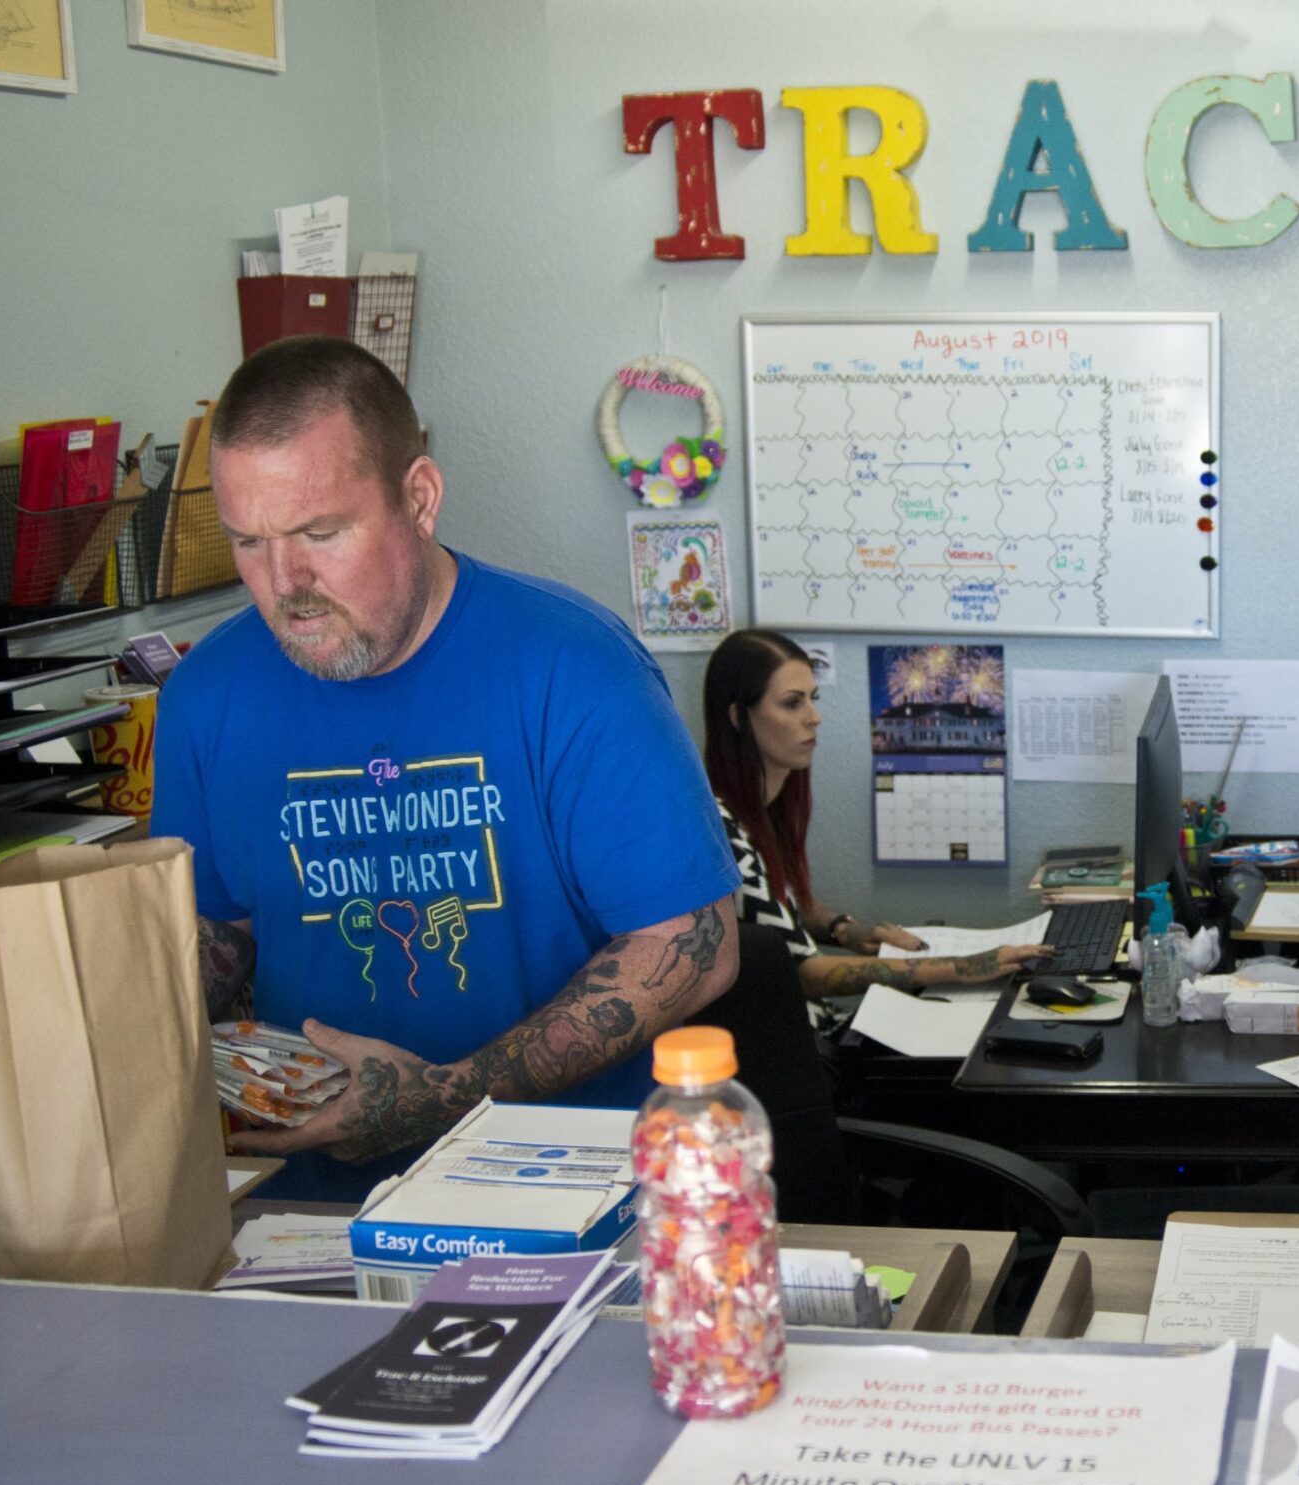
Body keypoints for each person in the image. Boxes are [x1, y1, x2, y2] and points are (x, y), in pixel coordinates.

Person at [151, 336, 739, 1197]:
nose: (286, 582)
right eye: (251, 541)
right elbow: (222, 932)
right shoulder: (205, 694)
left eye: (321, 532)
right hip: (309, 1213)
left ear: (418, 498)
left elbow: (696, 943)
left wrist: (450, 1095)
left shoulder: (574, 666)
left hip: (565, 1201)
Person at [702, 627, 1046, 1021]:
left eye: (813, 699)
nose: (814, 717)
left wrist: (845, 930)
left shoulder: (762, 811)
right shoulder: (721, 835)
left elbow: (777, 906)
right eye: (792, 703)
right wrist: (963, 967)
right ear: (737, 717)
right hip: (794, 1045)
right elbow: (808, 974)